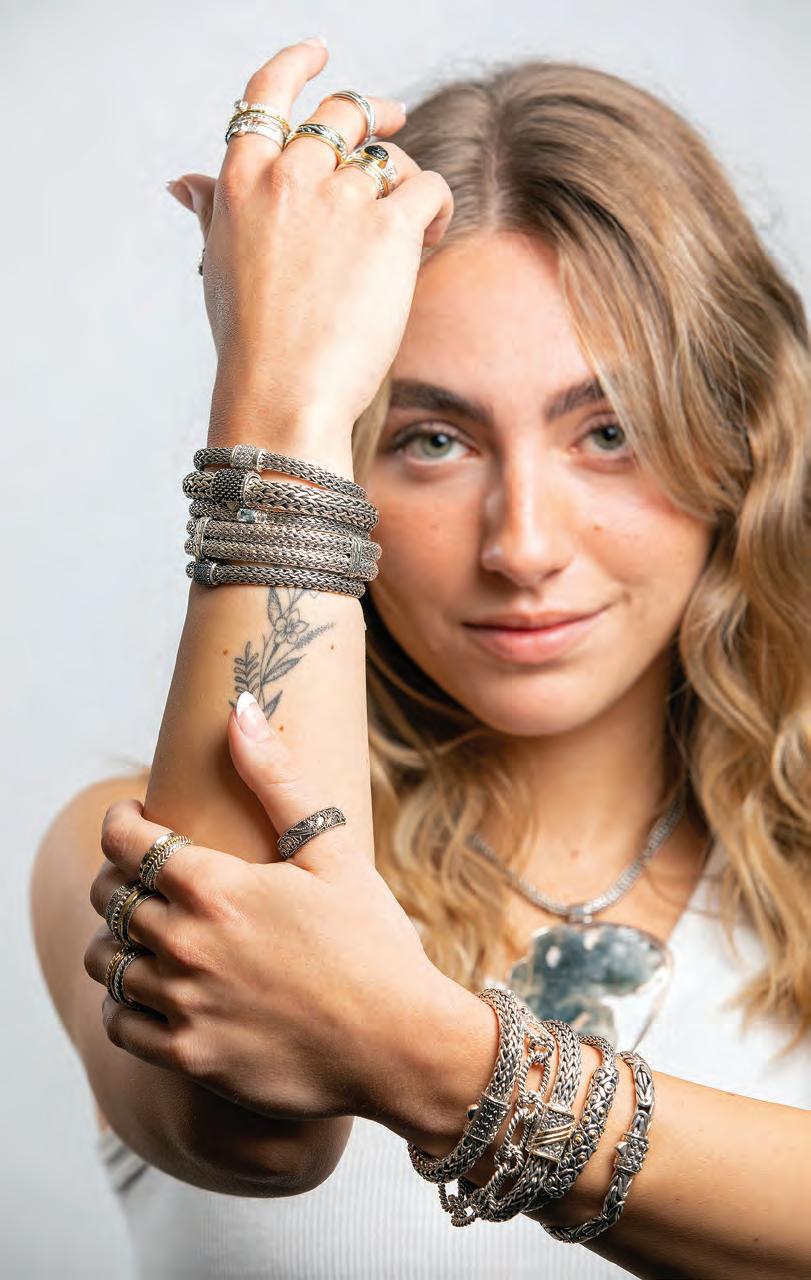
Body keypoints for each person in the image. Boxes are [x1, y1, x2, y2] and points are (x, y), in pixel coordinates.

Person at [30, 38, 811, 1280]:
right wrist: (279, 397)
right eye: (431, 438)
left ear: (741, 446)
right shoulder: (122, 851)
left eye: (609, 430)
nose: (523, 546)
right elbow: (254, 1132)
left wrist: (420, 1047)